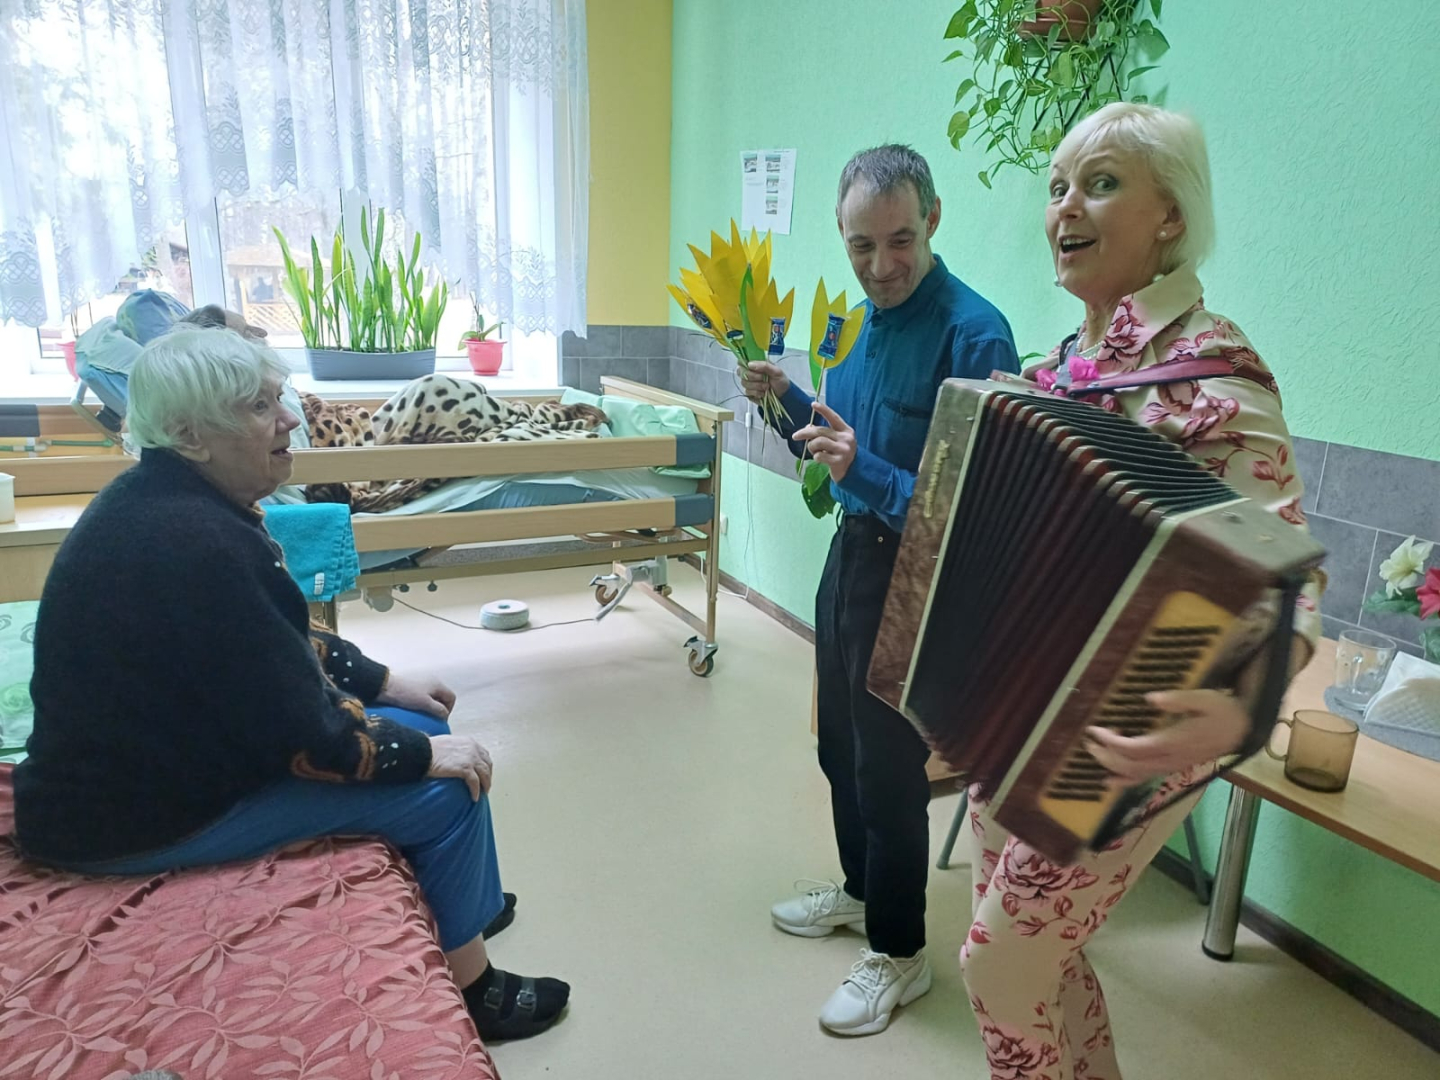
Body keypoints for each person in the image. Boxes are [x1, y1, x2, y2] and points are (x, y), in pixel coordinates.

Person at [12, 325, 569, 1042]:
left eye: (279, 398)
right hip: (132, 822)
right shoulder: (200, 542)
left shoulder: (165, 503)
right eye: (258, 407)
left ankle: (464, 906)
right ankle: (477, 990)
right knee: (448, 789)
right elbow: (313, 739)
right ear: (189, 435)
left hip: (147, 776)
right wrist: (425, 756)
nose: (288, 419)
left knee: (427, 724)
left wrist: (385, 683)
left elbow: (275, 641)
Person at [957, 103, 1322, 1079]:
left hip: (1135, 730)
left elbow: (1289, 574)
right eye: (1057, 187)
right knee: (1041, 955)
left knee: (997, 969)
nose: (1066, 207)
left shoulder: (1216, 371)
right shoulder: (1063, 370)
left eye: (1102, 182)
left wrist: (1241, 708)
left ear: (1171, 215)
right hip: (1023, 709)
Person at [740, 144, 1020, 1036]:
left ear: (932, 219)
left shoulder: (976, 335)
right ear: (842, 235)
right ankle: (864, 893)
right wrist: (781, 400)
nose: (881, 264)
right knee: (838, 747)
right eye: (861, 245)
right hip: (852, 559)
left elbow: (971, 503)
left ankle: (901, 954)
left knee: (890, 771)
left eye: (899, 240)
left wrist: (864, 470)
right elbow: (831, 443)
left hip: (920, 578)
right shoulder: (852, 326)